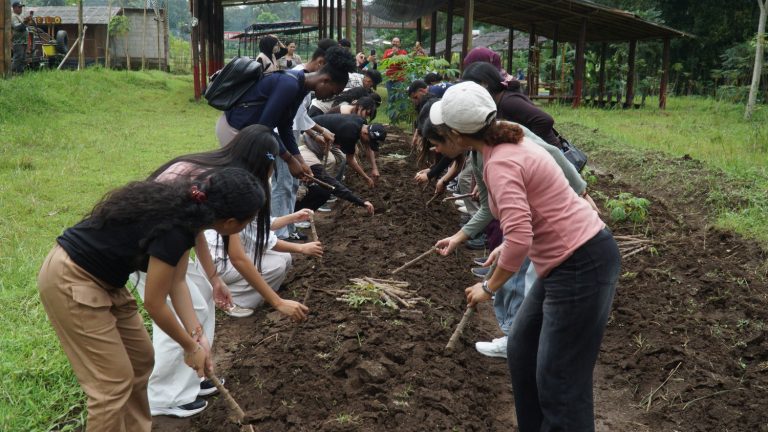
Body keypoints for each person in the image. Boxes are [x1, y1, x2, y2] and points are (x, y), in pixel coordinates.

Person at [430, 81, 621, 431]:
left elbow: (519, 236)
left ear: (456, 135)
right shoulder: (508, 137)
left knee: (561, 378)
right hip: (567, 260)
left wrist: (488, 288)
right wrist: (506, 246)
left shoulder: (500, 161)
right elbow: (536, 209)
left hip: (581, 263)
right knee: (523, 349)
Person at [38, 167, 265, 431]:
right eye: (247, 221)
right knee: (111, 384)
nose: (246, 226)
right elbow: (155, 304)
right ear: (229, 222)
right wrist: (190, 348)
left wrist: (196, 333)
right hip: (72, 278)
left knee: (141, 360)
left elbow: (177, 283)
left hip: (107, 281)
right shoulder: (175, 228)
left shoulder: (190, 217)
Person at [138, 126, 309, 418]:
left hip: (170, 237)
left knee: (202, 297)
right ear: (260, 162)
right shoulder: (221, 181)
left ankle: (195, 376)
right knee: (177, 315)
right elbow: (237, 256)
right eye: (270, 166)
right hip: (148, 243)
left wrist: (214, 278)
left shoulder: (224, 177)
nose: (270, 173)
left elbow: (197, 232)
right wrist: (277, 302)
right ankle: (163, 395)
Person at [216, 46, 356, 242]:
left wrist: (299, 159)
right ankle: (232, 236)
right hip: (236, 129)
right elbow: (265, 127)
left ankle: (254, 236)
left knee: (261, 183)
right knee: (249, 183)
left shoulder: (300, 87)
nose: (329, 97)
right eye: (332, 91)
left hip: (253, 133)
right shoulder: (289, 84)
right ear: (325, 80)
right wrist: (290, 160)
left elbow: (285, 126)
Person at [462, 61, 561, 148]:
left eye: (470, 86)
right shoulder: (496, 101)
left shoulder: (508, 102)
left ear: (484, 84)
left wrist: (530, 145)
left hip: (551, 156)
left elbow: (545, 120)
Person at [312, 113, 387, 188]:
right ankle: (321, 186)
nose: (368, 143)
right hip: (313, 131)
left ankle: (335, 184)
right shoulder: (350, 133)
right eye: (369, 141)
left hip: (330, 137)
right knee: (331, 161)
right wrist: (366, 178)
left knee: (342, 158)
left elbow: (368, 147)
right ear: (365, 133)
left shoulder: (363, 123)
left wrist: (374, 168)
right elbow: (350, 160)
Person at [382, 37, 408, 106]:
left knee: (400, 97)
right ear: (391, 43)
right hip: (389, 79)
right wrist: (392, 54)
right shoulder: (387, 51)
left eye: (397, 42)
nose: (395, 43)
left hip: (400, 79)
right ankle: (392, 116)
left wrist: (397, 55)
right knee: (391, 98)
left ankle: (402, 115)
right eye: (394, 41)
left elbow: (405, 65)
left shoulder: (403, 52)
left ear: (399, 44)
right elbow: (384, 63)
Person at [11, 1, 30, 74]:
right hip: (18, 42)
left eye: (21, 7)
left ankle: (20, 74)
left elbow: (24, 27)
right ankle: (12, 74)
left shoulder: (20, 16)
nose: (21, 8)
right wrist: (25, 22)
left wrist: (26, 21)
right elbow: (17, 27)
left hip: (23, 41)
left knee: (23, 59)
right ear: (14, 8)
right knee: (17, 59)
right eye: (19, 7)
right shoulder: (13, 16)